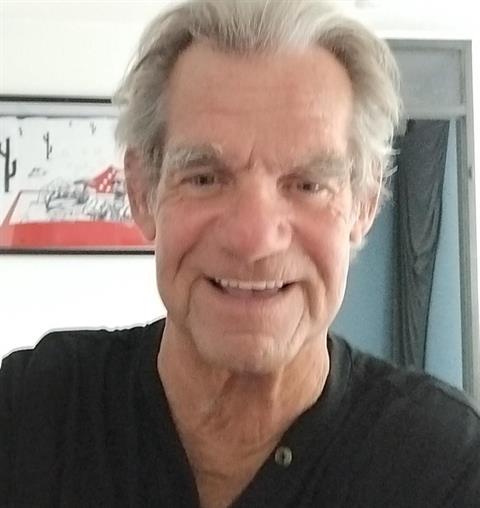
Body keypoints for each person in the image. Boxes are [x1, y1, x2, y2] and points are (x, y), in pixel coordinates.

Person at [1, 1, 479, 507]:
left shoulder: (445, 466)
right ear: (142, 192)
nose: (254, 241)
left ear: (364, 203)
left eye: (308, 184)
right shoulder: (31, 415)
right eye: (205, 178)